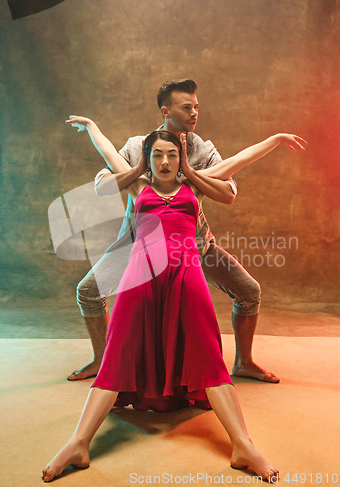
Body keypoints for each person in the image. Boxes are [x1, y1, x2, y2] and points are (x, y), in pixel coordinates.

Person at [43, 125, 303, 482]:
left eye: (172, 155)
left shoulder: (194, 184)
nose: (165, 161)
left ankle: (243, 445)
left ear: (181, 159)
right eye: (157, 155)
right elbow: (108, 154)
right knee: (118, 354)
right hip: (141, 275)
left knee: (209, 354)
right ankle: (78, 443)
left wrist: (275, 140)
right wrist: (91, 127)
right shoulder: (138, 186)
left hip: (186, 272)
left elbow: (241, 159)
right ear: (148, 161)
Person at [67, 79, 306, 385]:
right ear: (166, 111)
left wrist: (193, 174)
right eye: (187, 107)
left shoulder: (201, 152)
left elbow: (230, 186)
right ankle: (103, 361)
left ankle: (244, 363)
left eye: (196, 107)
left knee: (249, 293)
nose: (195, 113)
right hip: (138, 247)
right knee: (88, 291)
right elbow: (104, 175)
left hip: (193, 248)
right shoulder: (138, 152)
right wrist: (134, 165)